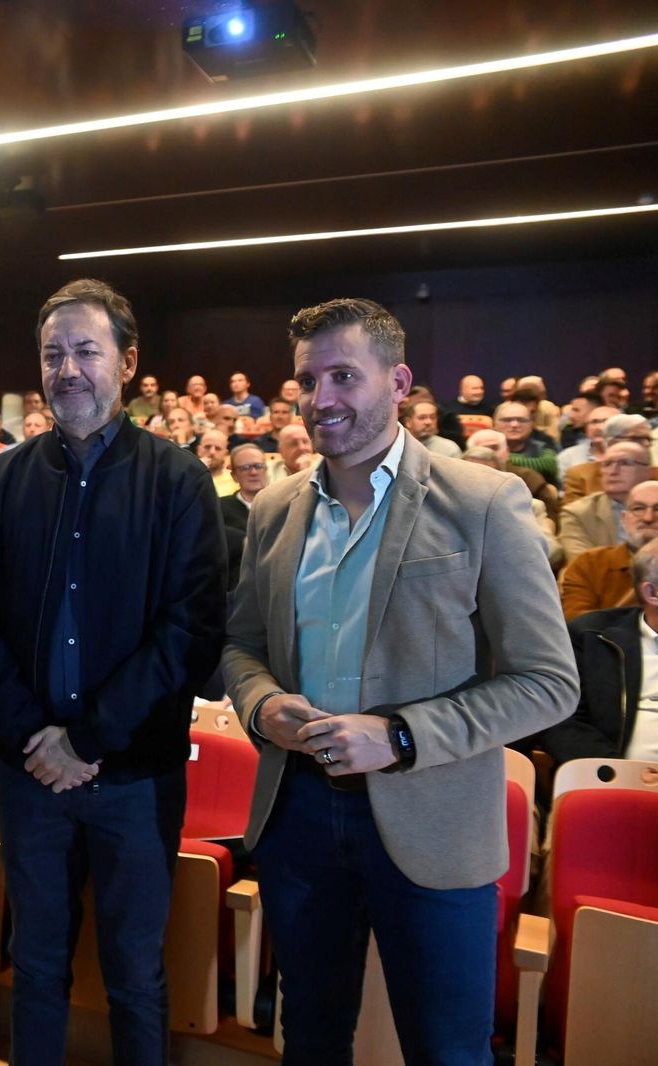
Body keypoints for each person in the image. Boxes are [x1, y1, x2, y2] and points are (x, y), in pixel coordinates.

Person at [222, 298, 576, 1063]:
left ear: (400, 382)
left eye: (344, 375)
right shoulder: (275, 508)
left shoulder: (483, 502)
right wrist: (261, 704)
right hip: (300, 816)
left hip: (434, 821)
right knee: (310, 1039)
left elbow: (548, 682)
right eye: (306, 381)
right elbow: (240, 647)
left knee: (447, 1051)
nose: (322, 400)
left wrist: (402, 735)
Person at [0, 279, 226, 1065]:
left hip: (134, 778)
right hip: (30, 773)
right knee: (35, 967)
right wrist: (35, 737)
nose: (67, 370)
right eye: (52, 354)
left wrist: (88, 739)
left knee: (135, 976)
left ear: (129, 363)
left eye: (85, 351)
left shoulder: (178, 481)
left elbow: (191, 630)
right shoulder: (4, 481)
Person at [544, 536, 658, 766]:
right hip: (618, 788)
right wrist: (621, 774)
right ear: (653, 594)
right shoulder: (591, 638)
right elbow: (562, 722)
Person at [559, 482, 658, 620]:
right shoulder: (590, 564)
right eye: (638, 508)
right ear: (624, 519)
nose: (648, 518)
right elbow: (577, 624)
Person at [560, 442, 653, 562]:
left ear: (648, 472)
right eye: (607, 464)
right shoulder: (578, 513)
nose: (613, 471)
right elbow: (582, 566)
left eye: (625, 463)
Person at [561, 413, 658, 503]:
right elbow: (571, 520)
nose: (646, 444)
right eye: (637, 439)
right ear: (610, 442)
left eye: (648, 439)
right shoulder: (581, 476)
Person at [221, 443, 269, 590]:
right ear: (234, 475)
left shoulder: (286, 505)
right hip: (237, 588)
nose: (253, 472)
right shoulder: (219, 507)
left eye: (258, 466)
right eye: (245, 468)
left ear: (266, 470)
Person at [495, 400, 559, 486]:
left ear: (531, 425)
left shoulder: (543, 446)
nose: (514, 425)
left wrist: (507, 459)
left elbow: (549, 465)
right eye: (507, 420)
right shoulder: (484, 445)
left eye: (521, 420)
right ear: (494, 424)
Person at [555, 403, 618, 472]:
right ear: (586, 429)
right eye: (594, 422)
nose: (599, 427)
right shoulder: (567, 457)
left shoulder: (631, 454)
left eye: (606, 421)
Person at [197, 428, 237, 497]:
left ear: (225, 454)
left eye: (218, 448)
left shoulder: (235, 481)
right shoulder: (188, 478)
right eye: (207, 447)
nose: (212, 452)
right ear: (199, 450)